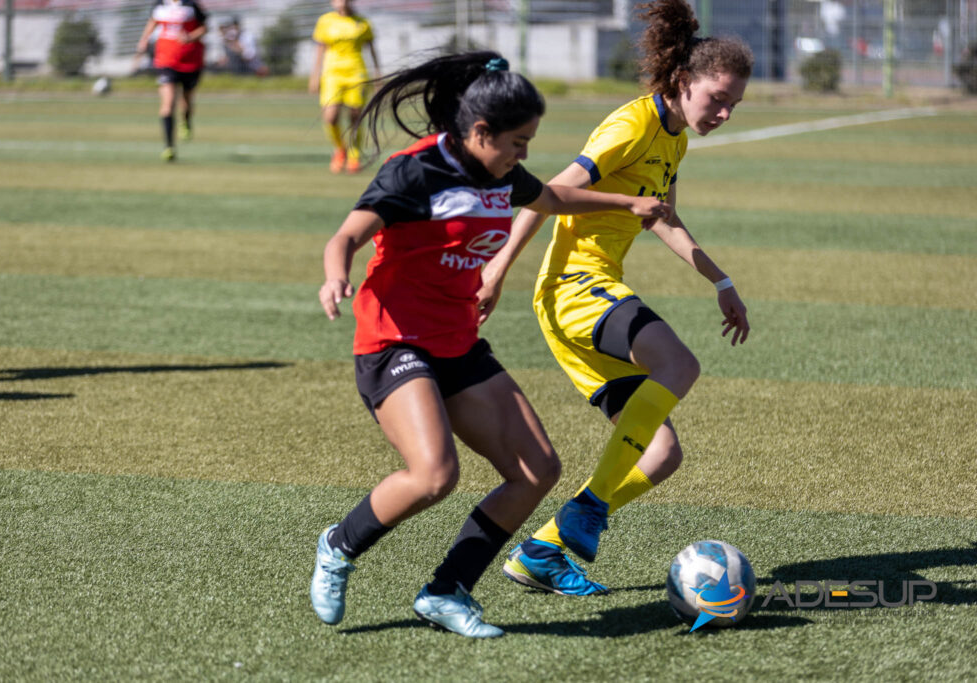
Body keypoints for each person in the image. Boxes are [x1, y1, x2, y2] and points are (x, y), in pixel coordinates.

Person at [312, 51, 672, 638]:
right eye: (518, 142)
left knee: (536, 470)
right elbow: (346, 237)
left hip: (457, 342)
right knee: (434, 475)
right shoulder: (415, 171)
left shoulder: (502, 174)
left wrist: (627, 202)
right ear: (480, 132)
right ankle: (338, 545)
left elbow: (553, 199)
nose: (523, 154)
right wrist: (335, 276)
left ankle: (446, 591)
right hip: (394, 341)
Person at [497, 0, 753, 596]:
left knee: (661, 455)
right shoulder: (634, 124)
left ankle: (541, 551)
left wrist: (721, 281)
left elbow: (661, 216)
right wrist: (497, 270)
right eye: (717, 98)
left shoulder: (674, 140)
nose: (723, 113)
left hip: (592, 290)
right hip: (574, 287)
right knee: (679, 364)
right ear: (683, 80)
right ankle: (586, 511)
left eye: (733, 105)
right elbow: (546, 193)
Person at [309, 0, 379, 174]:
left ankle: (354, 155)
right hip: (332, 74)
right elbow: (320, 50)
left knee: (355, 115)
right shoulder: (325, 21)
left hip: (357, 72)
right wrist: (315, 75)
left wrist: (378, 75)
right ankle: (340, 148)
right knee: (330, 117)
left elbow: (372, 50)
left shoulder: (363, 23)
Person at [136, 0, 209, 162]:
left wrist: (190, 37)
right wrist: (144, 40)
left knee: (186, 101)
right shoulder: (159, 5)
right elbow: (152, 21)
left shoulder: (191, 5)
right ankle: (169, 146)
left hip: (191, 61)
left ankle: (186, 120)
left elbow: (204, 28)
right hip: (166, 61)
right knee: (168, 104)